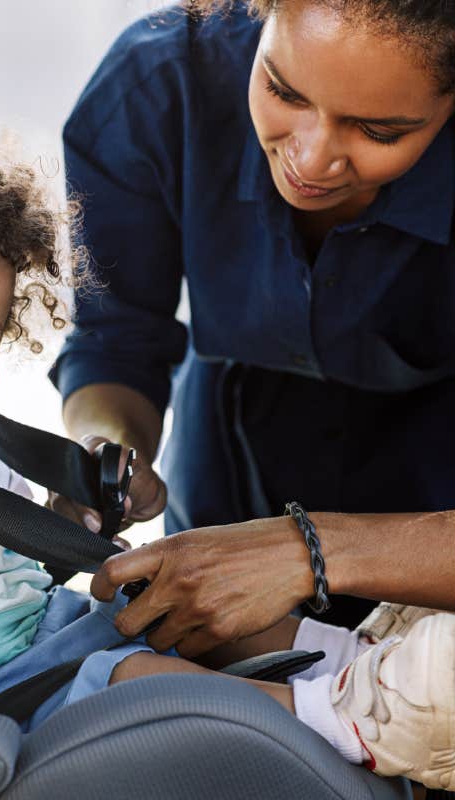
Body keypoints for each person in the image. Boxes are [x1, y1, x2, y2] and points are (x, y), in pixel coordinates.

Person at [0, 117, 453, 790]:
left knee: (184, 598)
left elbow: (5, 563)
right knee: (138, 681)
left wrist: (69, 514)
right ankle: (337, 715)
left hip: (40, 635)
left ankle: (358, 662)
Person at [47, 0, 455, 789]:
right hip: (234, 454)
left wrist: (311, 550)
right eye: (284, 90)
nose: (311, 157)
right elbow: (115, 338)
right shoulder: (159, 82)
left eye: (377, 132)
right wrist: (104, 453)